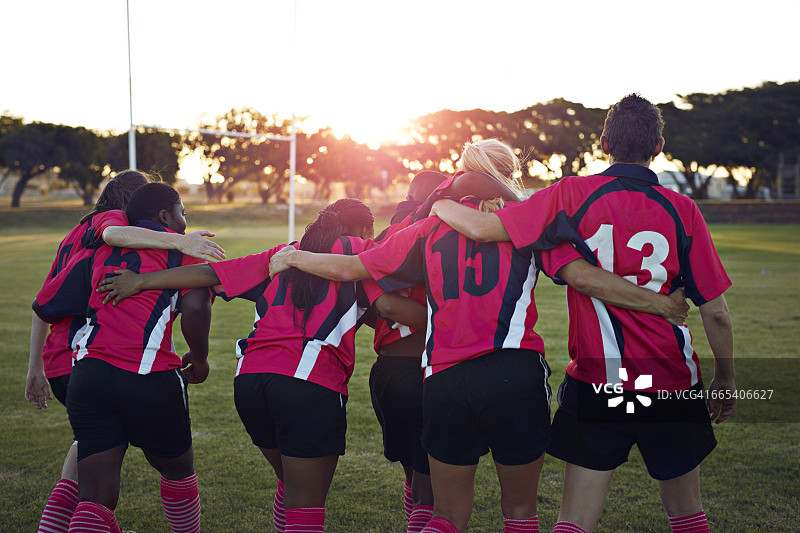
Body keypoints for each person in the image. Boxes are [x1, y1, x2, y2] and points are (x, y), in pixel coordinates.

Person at [265, 139, 688, 533]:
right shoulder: (530, 225)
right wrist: (660, 304)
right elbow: (582, 276)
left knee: (446, 516)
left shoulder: (427, 227)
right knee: (520, 512)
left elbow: (350, 268)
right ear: (508, 174)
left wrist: (294, 256)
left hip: (446, 378)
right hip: (514, 371)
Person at [429, 94, 735, 533]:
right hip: (670, 378)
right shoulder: (682, 208)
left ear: (605, 143)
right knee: (688, 517)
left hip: (599, 378)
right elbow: (717, 313)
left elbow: (482, 227)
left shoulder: (572, 193)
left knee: (573, 523)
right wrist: (725, 378)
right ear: (659, 146)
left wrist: (438, 203)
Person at [96, 198, 427, 533]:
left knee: (290, 485)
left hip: (251, 380)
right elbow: (389, 306)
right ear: (362, 229)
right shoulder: (360, 250)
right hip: (308, 380)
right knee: (305, 505)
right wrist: (452, 318)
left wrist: (140, 281)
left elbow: (210, 274)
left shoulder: (283, 252)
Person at [26, 170, 224, 533]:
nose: (186, 220)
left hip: (87, 373)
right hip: (147, 373)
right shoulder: (183, 247)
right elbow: (196, 307)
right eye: (183, 211)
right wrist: (200, 356)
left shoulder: (98, 249)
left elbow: (46, 302)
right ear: (165, 216)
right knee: (177, 470)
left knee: (95, 494)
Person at [373, 165, 521, 533]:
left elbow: (376, 304)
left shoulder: (385, 235)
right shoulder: (445, 226)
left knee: (413, 475)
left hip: (386, 370)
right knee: (431, 494)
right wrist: (446, 316)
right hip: (430, 365)